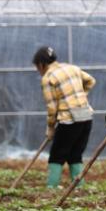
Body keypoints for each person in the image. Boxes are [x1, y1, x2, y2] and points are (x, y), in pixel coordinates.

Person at [33, 46, 96, 188]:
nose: (38, 70)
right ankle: (79, 187)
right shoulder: (72, 68)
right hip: (86, 116)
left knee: (57, 154)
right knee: (75, 154)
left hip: (69, 120)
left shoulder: (48, 78)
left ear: (42, 64)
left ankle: (52, 187)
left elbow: (51, 107)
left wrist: (50, 128)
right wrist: (80, 96)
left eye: (37, 67)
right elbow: (91, 81)